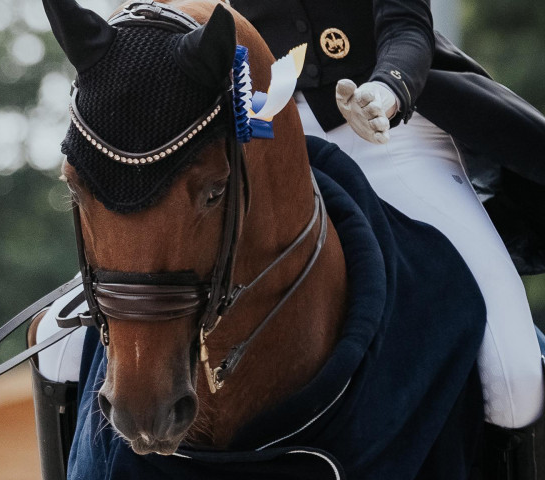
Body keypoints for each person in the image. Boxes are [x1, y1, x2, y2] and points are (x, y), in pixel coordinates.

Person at [231, 0, 545, 473]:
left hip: (391, 130)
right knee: (85, 351)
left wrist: (385, 90)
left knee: (514, 376)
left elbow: (406, 25)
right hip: (271, 144)